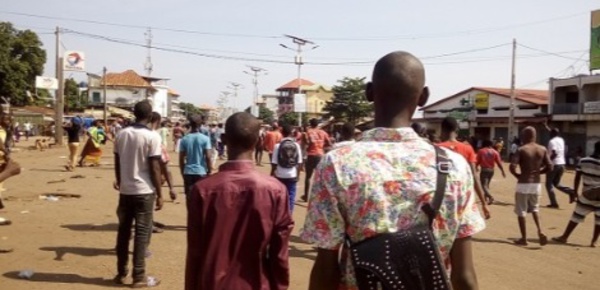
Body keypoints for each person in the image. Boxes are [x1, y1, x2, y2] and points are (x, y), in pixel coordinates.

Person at [301, 51, 485, 290]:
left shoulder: (336, 164)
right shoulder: (454, 166)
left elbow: (326, 268)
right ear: (424, 97)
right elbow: (464, 276)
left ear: (369, 92)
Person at [186, 112, 294, 290]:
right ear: (259, 141)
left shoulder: (202, 190)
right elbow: (279, 254)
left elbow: (195, 252)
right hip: (258, 284)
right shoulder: (276, 190)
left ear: (224, 139)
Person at [113, 100, 164, 287]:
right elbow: (155, 167)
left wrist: (120, 181)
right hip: (144, 191)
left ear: (134, 114)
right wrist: (160, 193)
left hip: (126, 191)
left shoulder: (121, 134)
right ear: (150, 116)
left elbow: (117, 162)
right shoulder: (152, 137)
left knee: (123, 232)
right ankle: (139, 276)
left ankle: (120, 273)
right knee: (142, 235)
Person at [509, 126, 553, 246]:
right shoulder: (542, 149)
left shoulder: (522, 149)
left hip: (524, 182)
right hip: (536, 183)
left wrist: (518, 176)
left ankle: (524, 238)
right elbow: (550, 166)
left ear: (525, 136)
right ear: (535, 136)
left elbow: (512, 166)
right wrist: (540, 172)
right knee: (535, 208)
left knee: (521, 211)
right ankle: (540, 231)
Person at [438, 116, 490, 218]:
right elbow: (474, 176)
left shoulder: (436, 148)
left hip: (442, 198)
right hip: (463, 197)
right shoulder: (467, 149)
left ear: (442, 129)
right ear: (457, 130)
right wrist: (484, 203)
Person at [553, 141, 600, 247]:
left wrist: (575, 192)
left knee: (576, 216)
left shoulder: (583, 161)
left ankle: (564, 237)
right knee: (599, 220)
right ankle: (594, 241)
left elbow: (577, 177)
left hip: (587, 194)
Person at [179, 115, 212, 205]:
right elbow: (208, 157)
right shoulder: (205, 139)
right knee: (202, 198)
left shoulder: (184, 139)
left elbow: (181, 159)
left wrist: (182, 171)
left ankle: (191, 217)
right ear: (200, 124)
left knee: (189, 198)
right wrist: (210, 170)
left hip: (188, 172)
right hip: (201, 171)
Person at [271, 123, 303, 213]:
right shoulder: (296, 145)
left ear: (282, 132)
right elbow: (299, 162)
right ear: (291, 133)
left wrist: (272, 175)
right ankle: (289, 215)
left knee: (280, 196)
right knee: (291, 197)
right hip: (292, 175)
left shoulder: (277, 146)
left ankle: (279, 214)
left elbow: (274, 163)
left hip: (280, 175)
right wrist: (298, 175)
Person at [299, 118, 332, 202]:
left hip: (310, 155)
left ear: (311, 124)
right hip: (320, 155)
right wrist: (322, 147)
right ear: (317, 124)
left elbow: (305, 145)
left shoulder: (308, 132)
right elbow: (329, 144)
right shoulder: (323, 132)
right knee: (321, 178)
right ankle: (320, 198)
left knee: (308, 177)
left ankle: (306, 196)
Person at [476, 140, 506, 204]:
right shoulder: (495, 152)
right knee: (487, 185)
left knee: (483, 185)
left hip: (484, 170)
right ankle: (485, 199)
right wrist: (502, 171)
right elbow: (499, 162)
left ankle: (490, 197)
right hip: (491, 170)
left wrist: (476, 167)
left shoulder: (481, 151)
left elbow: (477, 160)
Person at [545, 127, 566, 209]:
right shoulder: (561, 140)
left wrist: (548, 161)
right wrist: (546, 126)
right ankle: (571, 191)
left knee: (548, 184)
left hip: (554, 164)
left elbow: (554, 153)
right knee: (556, 183)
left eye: (550, 133)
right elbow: (552, 131)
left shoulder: (552, 141)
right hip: (562, 164)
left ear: (552, 134)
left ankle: (554, 203)